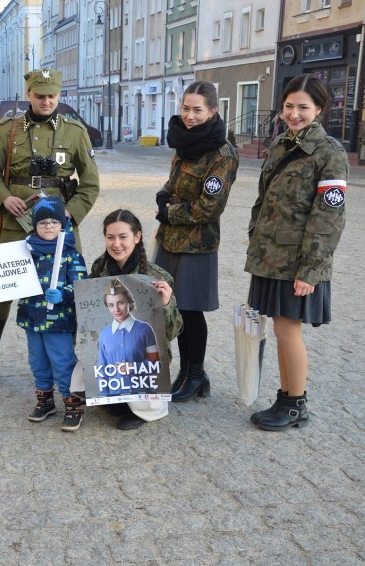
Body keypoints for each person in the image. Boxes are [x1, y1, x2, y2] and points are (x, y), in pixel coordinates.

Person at [0, 67, 100, 390]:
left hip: (59, 223)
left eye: (52, 96)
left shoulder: (75, 131)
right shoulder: (8, 129)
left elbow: (91, 183)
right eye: (40, 96)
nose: (46, 101)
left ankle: (84, 363)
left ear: (59, 95)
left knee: (72, 290)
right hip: (17, 221)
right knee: (1, 291)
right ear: (29, 94)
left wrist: (72, 212)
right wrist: (4, 199)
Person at [245, 74, 348, 431]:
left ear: (319, 109)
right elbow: (263, 198)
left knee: (289, 332)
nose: (294, 113)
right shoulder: (280, 145)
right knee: (280, 330)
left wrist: (311, 269)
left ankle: (294, 406)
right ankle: (287, 396)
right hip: (270, 256)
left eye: (303, 107)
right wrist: (254, 232)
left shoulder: (329, 152)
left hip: (297, 262)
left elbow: (329, 216)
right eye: (289, 106)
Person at [154, 80, 238, 402]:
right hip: (170, 240)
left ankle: (196, 374)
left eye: (197, 110)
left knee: (191, 311)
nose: (189, 115)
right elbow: (173, 180)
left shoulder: (222, 153)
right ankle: (184, 373)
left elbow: (209, 206)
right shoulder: (185, 143)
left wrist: (170, 212)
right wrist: (163, 196)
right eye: (185, 108)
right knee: (173, 306)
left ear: (212, 111)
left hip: (197, 244)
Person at [0, 197, 86, 431]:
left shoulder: (70, 254)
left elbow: (81, 285)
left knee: (62, 362)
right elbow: (3, 267)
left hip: (59, 322)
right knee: (38, 361)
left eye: (54, 222)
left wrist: (64, 294)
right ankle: (45, 400)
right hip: (32, 317)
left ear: (62, 224)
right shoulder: (27, 250)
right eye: (43, 223)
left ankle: (73, 404)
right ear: (35, 226)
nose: (49, 226)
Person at [89, 209, 183, 429]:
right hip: (112, 347)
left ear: (137, 237)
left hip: (144, 354)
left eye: (123, 237)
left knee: (142, 392)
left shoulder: (156, 276)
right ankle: (117, 398)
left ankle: (143, 408)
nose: (116, 244)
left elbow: (172, 332)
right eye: (110, 237)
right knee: (80, 378)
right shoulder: (99, 268)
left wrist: (167, 305)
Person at [96, 280, 159, 395]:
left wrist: (134, 367)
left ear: (129, 302)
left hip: (142, 393)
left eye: (120, 303)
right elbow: (102, 369)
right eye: (111, 305)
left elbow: (155, 365)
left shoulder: (145, 329)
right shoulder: (104, 334)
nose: (116, 309)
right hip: (115, 396)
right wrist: (104, 398)